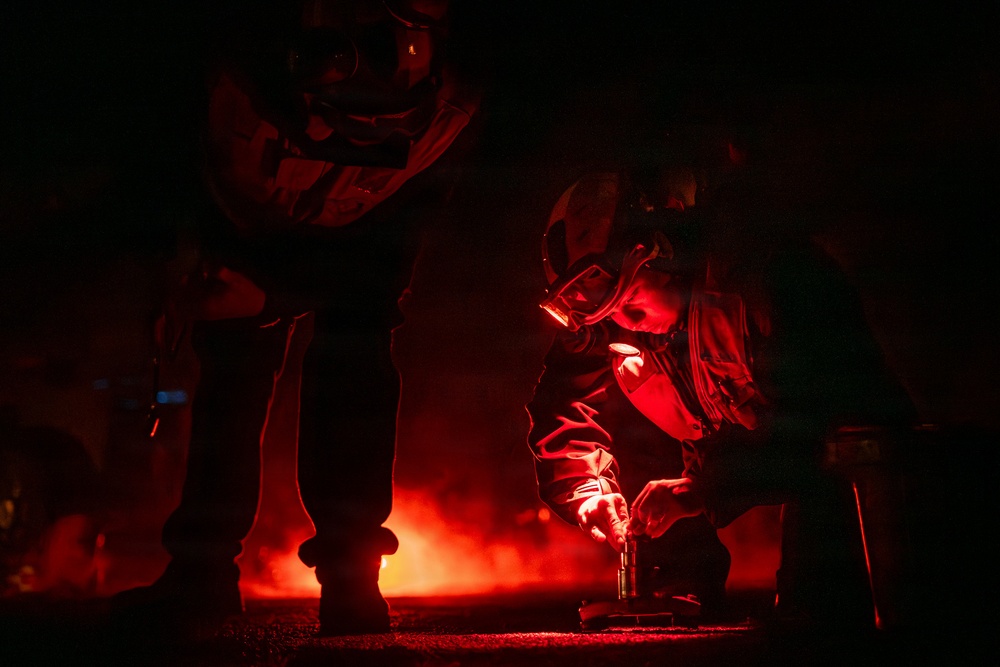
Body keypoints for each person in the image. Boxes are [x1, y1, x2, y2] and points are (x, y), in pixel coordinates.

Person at [112, 0, 478, 637]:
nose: (344, 146)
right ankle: (202, 576)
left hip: (357, 238)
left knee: (356, 360)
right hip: (238, 222)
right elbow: (156, 159)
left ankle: (351, 579)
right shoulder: (222, 60)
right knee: (229, 377)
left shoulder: (453, 112)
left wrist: (272, 298)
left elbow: (378, 275)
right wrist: (164, 264)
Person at [526, 153, 918, 628]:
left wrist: (702, 488)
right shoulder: (605, 317)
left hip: (848, 462)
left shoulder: (773, 281)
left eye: (630, 300)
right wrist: (588, 492)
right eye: (607, 314)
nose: (623, 324)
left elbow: (819, 424)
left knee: (823, 611)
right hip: (729, 454)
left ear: (666, 253)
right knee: (631, 448)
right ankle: (678, 584)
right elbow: (562, 408)